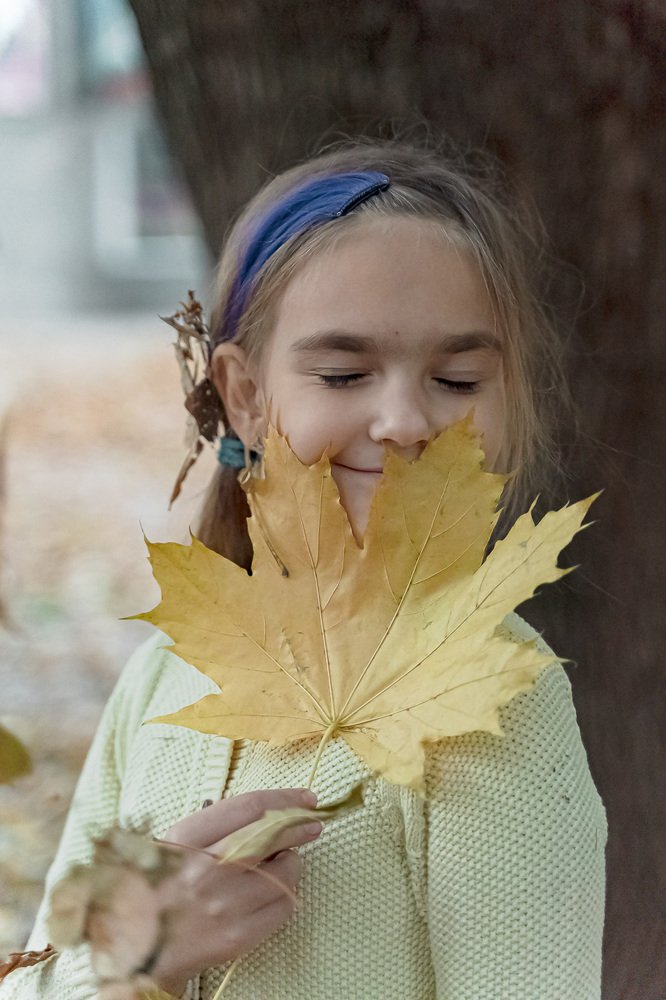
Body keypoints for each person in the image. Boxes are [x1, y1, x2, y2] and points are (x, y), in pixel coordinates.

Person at [1, 140, 607, 999]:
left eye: (459, 378)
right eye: (344, 372)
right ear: (245, 395)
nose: (403, 419)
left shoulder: (495, 701)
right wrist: (135, 955)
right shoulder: (165, 677)